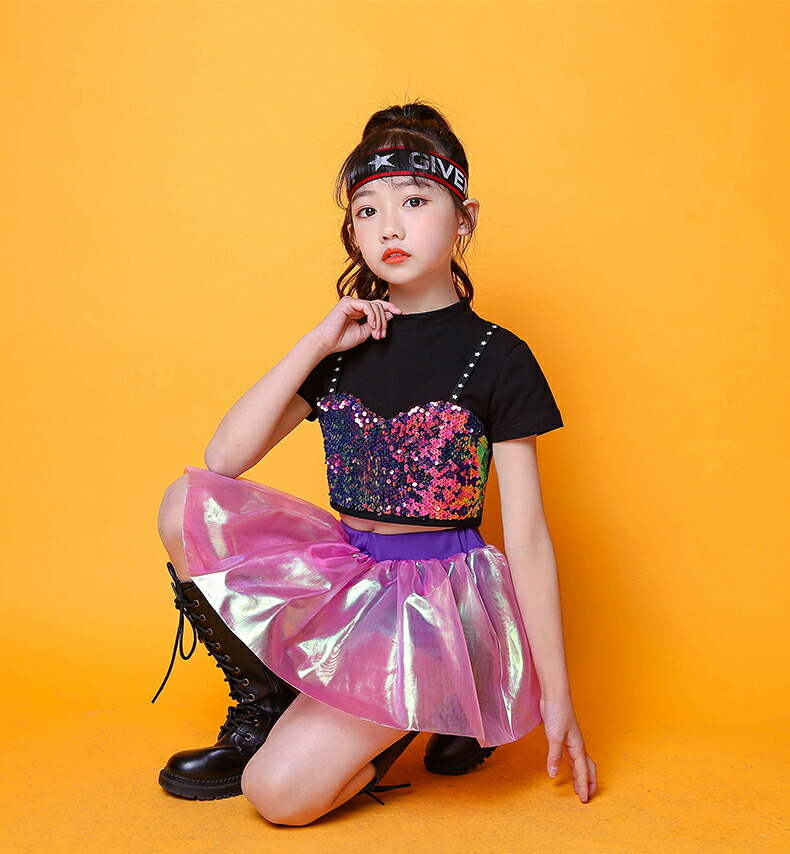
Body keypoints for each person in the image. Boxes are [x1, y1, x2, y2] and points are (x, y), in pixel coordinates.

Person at [153, 100, 597, 826]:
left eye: (414, 202)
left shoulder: (500, 357)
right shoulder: (346, 345)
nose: (389, 227)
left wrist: (557, 695)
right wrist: (315, 342)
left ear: (465, 218)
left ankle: (429, 704)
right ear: (353, 232)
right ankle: (270, 705)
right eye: (367, 211)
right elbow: (223, 458)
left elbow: (529, 538)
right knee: (184, 501)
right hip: (347, 575)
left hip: (432, 603)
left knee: (278, 795)